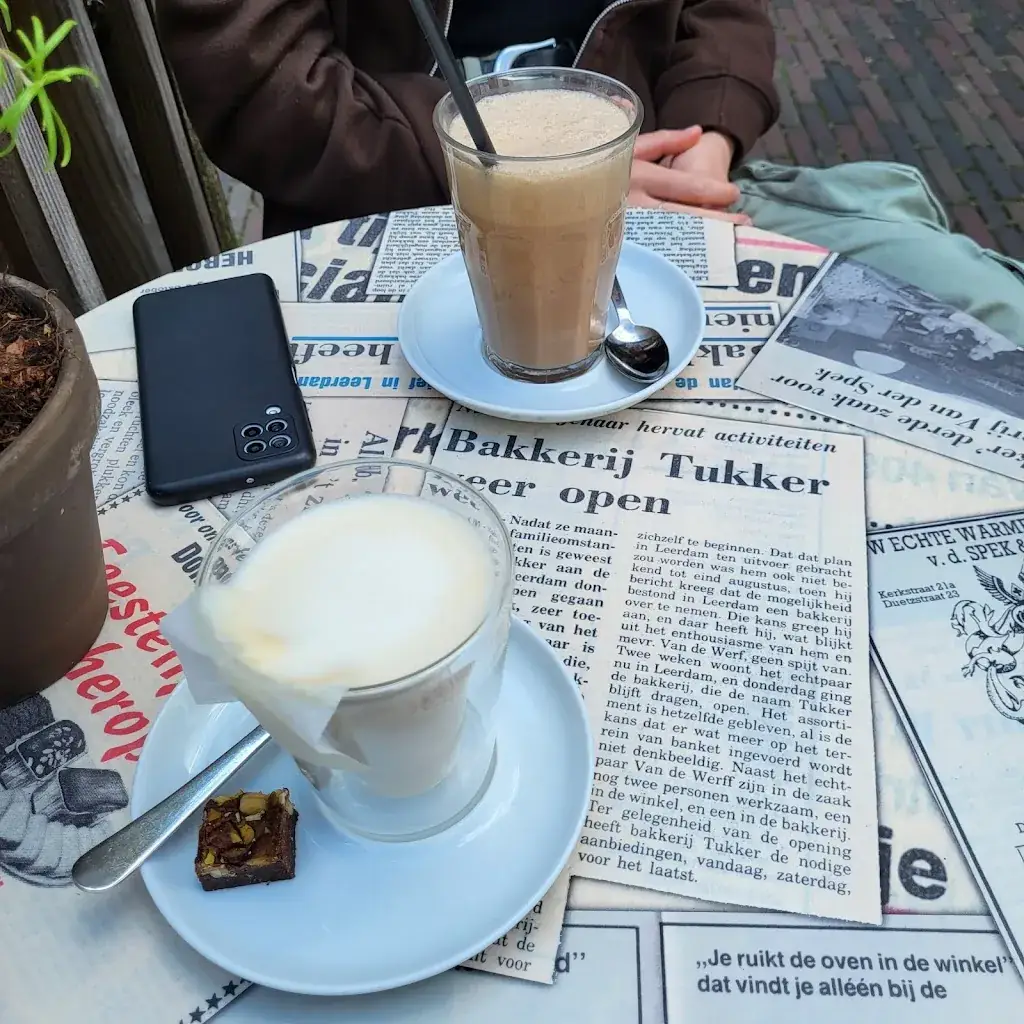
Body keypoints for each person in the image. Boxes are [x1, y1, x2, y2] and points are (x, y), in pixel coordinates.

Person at [157, 0, 778, 239]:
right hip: (380, 212)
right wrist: (532, 173)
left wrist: (710, 130)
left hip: (648, 187)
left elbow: (721, 14)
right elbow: (259, 87)